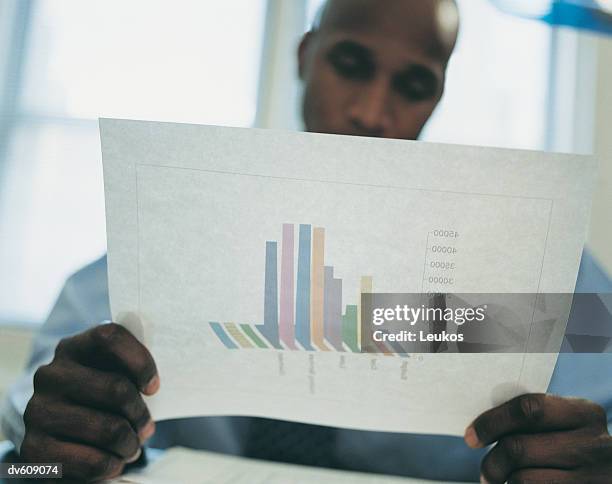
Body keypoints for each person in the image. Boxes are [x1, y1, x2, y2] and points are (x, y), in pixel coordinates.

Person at [3, 0, 612, 481]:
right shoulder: (165, 243)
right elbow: (21, 457)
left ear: (439, 96)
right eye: (350, 64)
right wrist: (43, 459)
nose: (373, 113)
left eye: (414, 84)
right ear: (304, 55)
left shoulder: (540, 269)